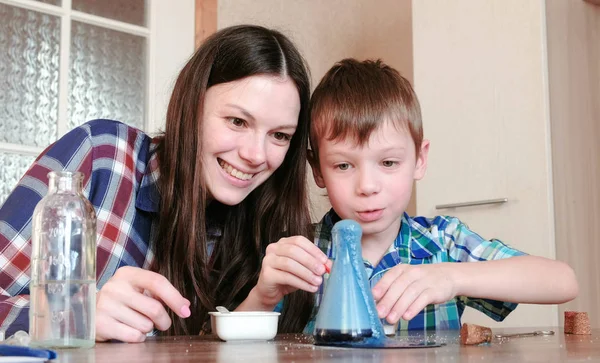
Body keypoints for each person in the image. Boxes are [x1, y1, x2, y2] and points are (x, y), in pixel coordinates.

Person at [0, 25, 330, 342]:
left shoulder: (263, 226)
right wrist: (74, 316)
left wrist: (263, 298)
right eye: (237, 121)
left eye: (280, 135)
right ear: (192, 107)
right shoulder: (104, 156)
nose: (256, 155)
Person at [304, 58, 579, 333]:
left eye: (388, 163)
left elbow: (563, 281)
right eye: (343, 165)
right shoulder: (303, 250)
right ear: (317, 170)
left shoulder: (444, 241)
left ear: (419, 160)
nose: (367, 186)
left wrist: (451, 276)